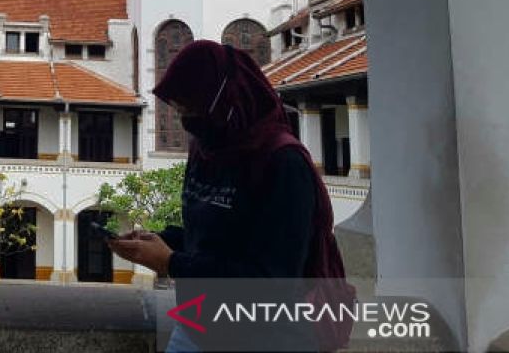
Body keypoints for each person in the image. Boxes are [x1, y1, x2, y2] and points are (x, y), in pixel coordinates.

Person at [108, 40, 352, 352]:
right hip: (198, 323)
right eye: (180, 108)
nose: (185, 118)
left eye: (191, 107)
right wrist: (156, 241)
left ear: (222, 99)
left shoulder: (282, 163)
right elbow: (212, 237)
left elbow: (270, 281)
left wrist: (172, 263)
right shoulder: (207, 147)